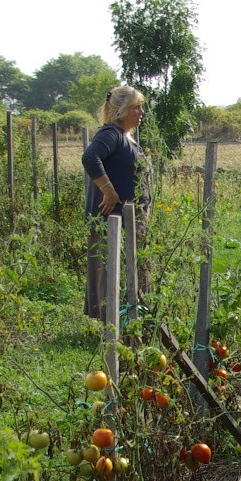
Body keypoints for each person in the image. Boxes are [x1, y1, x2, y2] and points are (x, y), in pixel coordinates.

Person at [81, 86, 148, 318]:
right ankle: (105, 325)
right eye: (136, 107)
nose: (141, 111)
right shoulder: (111, 133)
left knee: (115, 270)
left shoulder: (124, 136)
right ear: (121, 110)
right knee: (104, 272)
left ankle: (118, 318)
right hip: (108, 219)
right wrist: (109, 192)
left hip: (121, 219)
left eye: (141, 106)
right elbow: (90, 157)